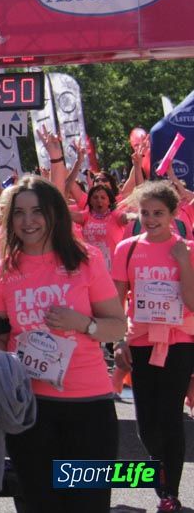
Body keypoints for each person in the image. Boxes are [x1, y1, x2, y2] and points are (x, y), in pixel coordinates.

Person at [0, 176, 126, 513]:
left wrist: (84, 324)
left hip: (89, 408)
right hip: (30, 410)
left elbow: (118, 326)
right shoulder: (3, 272)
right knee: (40, 504)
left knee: (87, 505)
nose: (28, 221)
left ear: (54, 214)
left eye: (37, 211)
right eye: (19, 213)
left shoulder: (85, 260)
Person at [111, 181, 194, 512]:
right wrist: (119, 341)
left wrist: (183, 262)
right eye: (145, 213)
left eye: (158, 213)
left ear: (174, 214)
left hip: (179, 343)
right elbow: (117, 301)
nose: (150, 219)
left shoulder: (188, 248)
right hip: (140, 342)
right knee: (146, 424)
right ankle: (161, 474)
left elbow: (192, 303)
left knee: (170, 416)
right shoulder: (127, 249)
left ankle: (168, 493)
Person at [71, 184, 130, 270]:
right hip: (92, 265)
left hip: (114, 267)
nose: (99, 200)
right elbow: (64, 213)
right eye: (95, 197)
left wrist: (133, 216)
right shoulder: (86, 216)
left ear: (109, 201)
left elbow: (125, 218)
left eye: (103, 198)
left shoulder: (115, 215)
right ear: (90, 201)